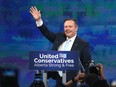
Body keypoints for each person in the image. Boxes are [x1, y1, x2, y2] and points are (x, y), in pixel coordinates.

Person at [30, 6, 92, 87]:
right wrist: (38, 20)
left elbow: (86, 64)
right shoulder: (59, 36)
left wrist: (88, 81)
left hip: (71, 79)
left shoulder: (83, 44)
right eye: (65, 27)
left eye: (70, 26)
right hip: (54, 74)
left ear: (76, 28)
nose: (67, 29)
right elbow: (47, 33)